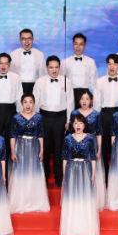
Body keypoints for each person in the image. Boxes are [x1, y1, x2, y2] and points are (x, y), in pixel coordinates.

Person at [35, 56, 74, 188]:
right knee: (44, 148)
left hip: (60, 117)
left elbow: (70, 102)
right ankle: (44, 175)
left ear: (59, 68)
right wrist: (36, 120)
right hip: (44, 117)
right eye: (51, 67)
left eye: (56, 67)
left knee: (59, 148)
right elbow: (36, 102)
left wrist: (68, 120)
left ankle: (59, 176)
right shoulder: (40, 81)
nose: (54, 70)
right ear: (47, 67)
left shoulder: (67, 81)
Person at [60, 114, 100, 235]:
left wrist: (93, 174)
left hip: (85, 170)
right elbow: (64, 158)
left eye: (80, 123)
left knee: (84, 198)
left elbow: (93, 158)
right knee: (72, 198)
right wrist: (65, 174)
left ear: (84, 125)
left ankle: (85, 229)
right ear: (72, 125)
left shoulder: (90, 139)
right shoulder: (67, 139)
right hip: (71, 170)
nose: (78, 126)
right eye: (76, 123)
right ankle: (72, 229)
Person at [8, 93, 51, 214]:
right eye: (25, 102)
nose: (28, 104)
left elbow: (41, 134)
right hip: (20, 148)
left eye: (30, 102)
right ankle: (20, 202)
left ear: (34, 103)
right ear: (22, 103)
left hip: (34, 147)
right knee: (20, 173)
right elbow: (12, 136)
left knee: (34, 173)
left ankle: (34, 202)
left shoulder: (38, 117)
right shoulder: (16, 117)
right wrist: (13, 151)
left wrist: (41, 150)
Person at [69, 91, 106, 210]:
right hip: (77, 144)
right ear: (79, 100)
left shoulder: (96, 114)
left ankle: (94, 200)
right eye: (82, 99)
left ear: (91, 100)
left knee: (94, 171)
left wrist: (99, 150)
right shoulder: (74, 113)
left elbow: (99, 133)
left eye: (87, 99)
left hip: (92, 144)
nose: (84, 101)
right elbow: (70, 133)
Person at [0, 53, 24, 140]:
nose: (3, 66)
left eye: (6, 63)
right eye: (1, 63)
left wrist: (19, 115)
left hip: (11, 111)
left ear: (9, 65)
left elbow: (19, 97)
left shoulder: (16, 77)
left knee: (10, 138)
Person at [60, 33, 98, 105]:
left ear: (84, 45)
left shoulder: (91, 62)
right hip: (70, 95)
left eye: (81, 44)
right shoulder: (65, 62)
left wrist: (94, 97)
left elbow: (94, 82)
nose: (78, 47)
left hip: (85, 95)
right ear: (73, 44)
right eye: (76, 44)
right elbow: (61, 81)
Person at [11, 28, 46, 97]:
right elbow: (11, 76)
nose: (26, 42)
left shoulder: (40, 55)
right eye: (24, 39)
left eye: (29, 39)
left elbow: (43, 76)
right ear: (20, 40)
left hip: (34, 87)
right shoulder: (13, 54)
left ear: (33, 39)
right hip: (18, 88)